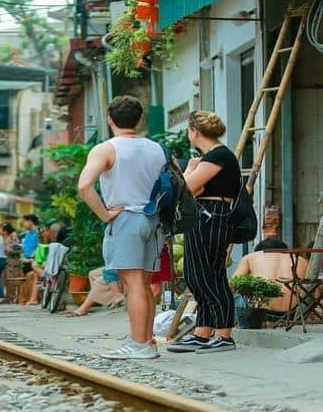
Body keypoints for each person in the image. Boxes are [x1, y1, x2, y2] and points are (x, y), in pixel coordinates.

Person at [77, 95, 166, 359]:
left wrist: (105, 215)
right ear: (139, 120)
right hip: (153, 219)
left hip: (126, 218)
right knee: (146, 283)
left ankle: (137, 345)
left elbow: (84, 186)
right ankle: (147, 341)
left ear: (109, 119)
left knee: (133, 282)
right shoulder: (156, 148)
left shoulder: (106, 149)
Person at [167, 111, 241, 354]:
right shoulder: (210, 157)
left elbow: (186, 188)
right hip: (203, 215)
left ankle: (224, 333)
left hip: (213, 216)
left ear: (194, 132)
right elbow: (194, 191)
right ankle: (203, 330)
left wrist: (187, 170)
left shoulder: (218, 156)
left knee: (210, 275)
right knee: (195, 274)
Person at [232, 238, 307, 317]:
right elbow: (315, 292)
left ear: (259, 251)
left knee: (236, 298)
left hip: (261, 311)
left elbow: (233, 285)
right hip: (295, 312)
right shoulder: (302, 260)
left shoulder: (251, 257)